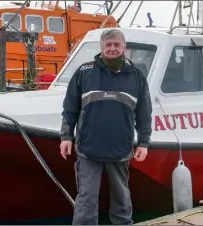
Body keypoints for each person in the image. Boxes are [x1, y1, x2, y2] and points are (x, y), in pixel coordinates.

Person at [59, 28, 153, 225]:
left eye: (116, 45)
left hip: (121, 150)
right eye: (108, 45)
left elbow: (144, 114)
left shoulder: (136, 76)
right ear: (101, 47)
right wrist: (66, 137)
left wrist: (144, 143)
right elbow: (70, 109)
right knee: (87, 198)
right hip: (87, 150)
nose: (112, 49)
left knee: (121, 198)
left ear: (124, 48)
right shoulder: (84, 73)